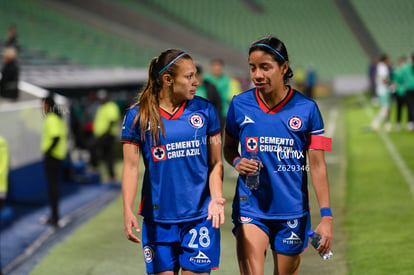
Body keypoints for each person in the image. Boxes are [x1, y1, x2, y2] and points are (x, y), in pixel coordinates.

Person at [223, 36, 333, 275]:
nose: (257, 75)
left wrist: (326, 217)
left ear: (284, 68)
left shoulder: (308, 109)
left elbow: (317, 166)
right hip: (251, 208)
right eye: (253, 68)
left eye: (265, 67)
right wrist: (237, 161)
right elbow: (228, 148)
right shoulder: (239, 104)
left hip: (292, 211)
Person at [121, 49, 225, 274]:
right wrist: (127, 210)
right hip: (158, 220)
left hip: (199, 217)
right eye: (189, 76)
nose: (196, 81)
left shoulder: (206, 110)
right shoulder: (137, 116)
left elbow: (216, 163)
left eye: (195, 74)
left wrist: (216, 197)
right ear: (168, 80)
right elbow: (130, 167)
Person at [40, 95, 68, 227]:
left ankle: (54, 217)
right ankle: (54, 215)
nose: (41, 107)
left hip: (52, 157)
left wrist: (47, 152)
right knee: (54, 188)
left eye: (42, 104)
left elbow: (55, 137)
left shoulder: (51, 118)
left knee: (52, 188)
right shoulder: (57, 117)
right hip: (57, 156)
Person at [91, 89, 121, 183]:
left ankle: (97, 169)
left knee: (102, 152)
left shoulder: (110, 106)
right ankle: (108, 175)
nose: (100, 100)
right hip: (102, 134)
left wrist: (106, 132)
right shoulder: (102, 107)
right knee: (106, 155)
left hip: (107, 135)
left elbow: (112, 120)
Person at [204, 58, 231, 129]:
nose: (216, 68)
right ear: (211, 67)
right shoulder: (206, 79)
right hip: (207, 110)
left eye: (218, 66)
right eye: (215, 66)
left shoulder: (226, 81)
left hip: (221, 112)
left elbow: (226, 96)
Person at [371, 54, 392, 131]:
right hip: (383, 90)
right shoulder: (382, 67)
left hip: (382, 89)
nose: (390, 60)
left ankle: (387, 124)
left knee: (386, 108)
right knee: (385, 108)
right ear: (385, 59)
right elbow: (383, 80)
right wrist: (391, 84)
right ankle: (376, 122)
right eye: (388, 59)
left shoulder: (381, 66)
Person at [392, 56, 408, 131]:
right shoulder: (397, 71)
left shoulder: (407, 70)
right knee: (399, 108)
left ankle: (409, 123)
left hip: (407, 92)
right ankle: (398, 123)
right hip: (399, 92)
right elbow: (394, 82)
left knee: (409, 108)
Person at [401, 53, 414, 131]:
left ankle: (410, 123)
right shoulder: (407, 67)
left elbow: (401, 78)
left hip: (409, 89)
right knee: (411, 107)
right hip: (409, 89)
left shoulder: (406, 67)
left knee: (410, 106)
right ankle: (410, 123)